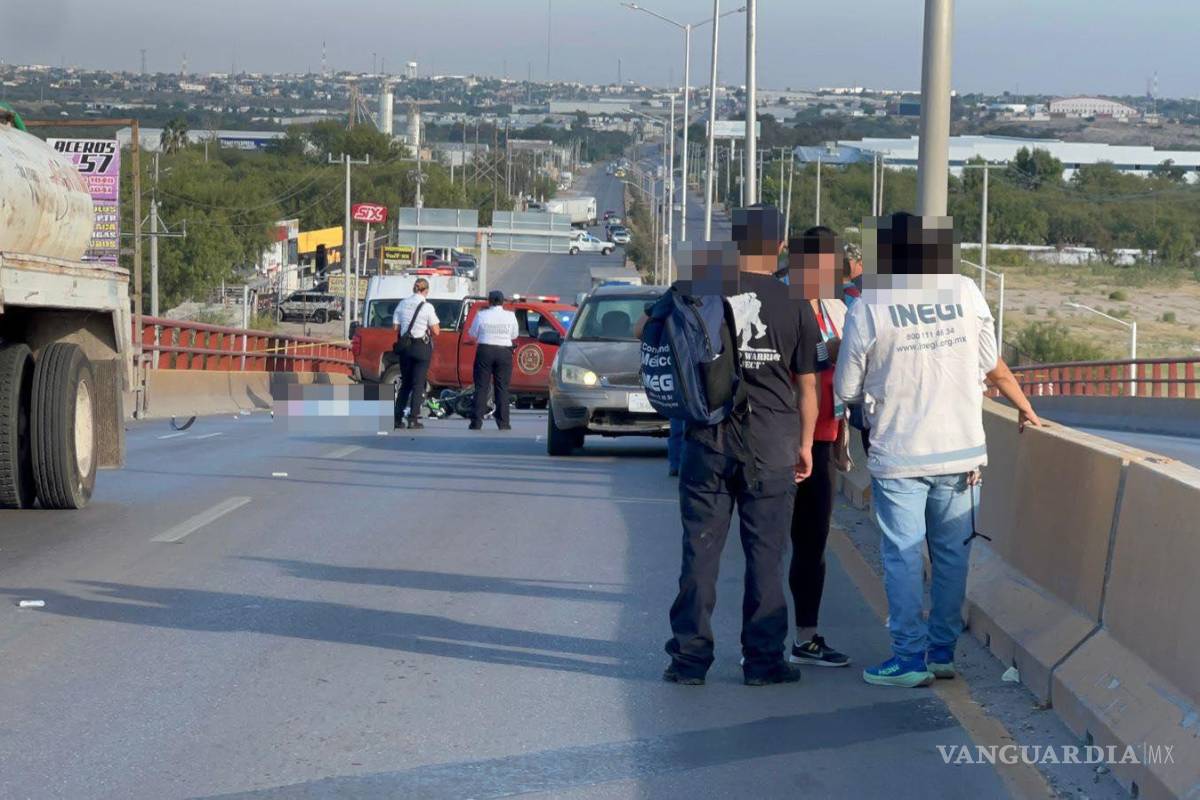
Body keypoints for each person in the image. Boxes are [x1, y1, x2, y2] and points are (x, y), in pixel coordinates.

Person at [834, 212, 1043, 688]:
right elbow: (989, 360)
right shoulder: (965, 291)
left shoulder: (870, 304)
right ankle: (941, 653)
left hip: (901, 451)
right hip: (964, 451)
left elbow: (847, 386)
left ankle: (908, 657)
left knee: (903, 556)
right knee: (952, 557)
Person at [663, 206, 823, 687]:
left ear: (734, 243)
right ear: (778, 247)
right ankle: (762, 662)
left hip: (708, 440)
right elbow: (808, 387)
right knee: (767, 556)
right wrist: (807, 444)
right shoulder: (795, 300)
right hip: (772, 444)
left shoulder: (701, 286)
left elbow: (648, 334)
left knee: (700, 552)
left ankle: (689, 662)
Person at [786, 227, 852, 668]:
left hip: (825, 441)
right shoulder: (779, 306)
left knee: (813, 543)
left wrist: (844, 439)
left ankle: (806, 636)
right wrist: (827, 353)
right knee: (771, 544)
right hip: (784, 441)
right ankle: (761, 641)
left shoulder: (837, 308)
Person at [392, 278, 440, 430]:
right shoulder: (427, 306)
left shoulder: (402, 303)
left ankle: (397, 418)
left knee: (405, 384)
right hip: (421, 347)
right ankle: (413, 419)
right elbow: (436, 331)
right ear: (426, 290)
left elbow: (395, 327)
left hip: (405, 347)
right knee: (418, 384)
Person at [467, 290, 519, 431]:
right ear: (502, 302)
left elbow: (472, 333)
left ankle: (476, 422)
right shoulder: (510, 316)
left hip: (485, 350)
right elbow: (514, 334)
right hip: (504, 352)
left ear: (489, 301)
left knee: (481, 387)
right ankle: (503, 423)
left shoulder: (482, 315)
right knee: (502, 388)